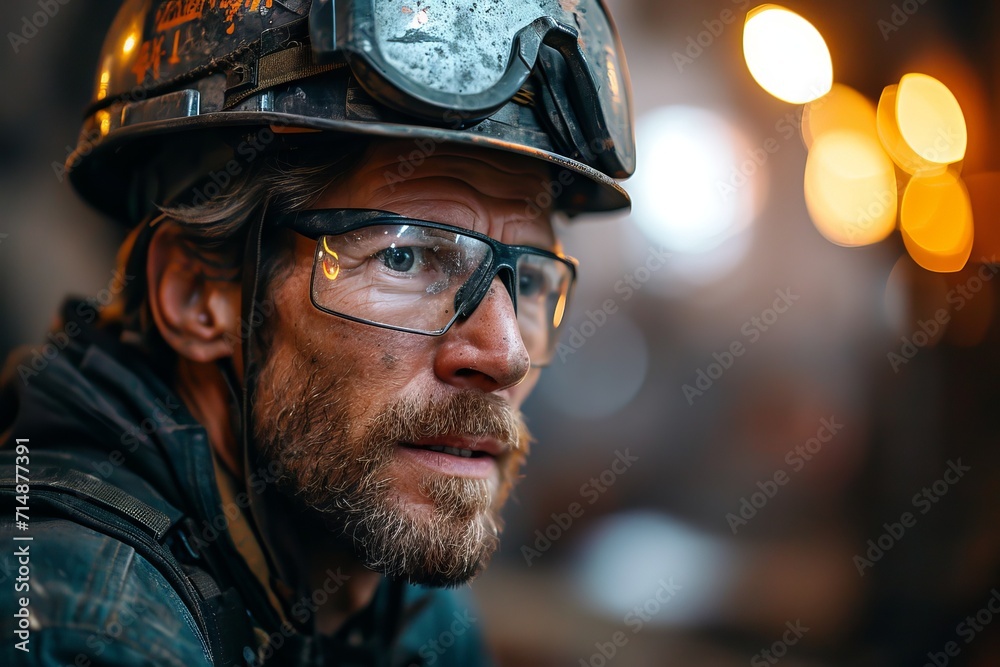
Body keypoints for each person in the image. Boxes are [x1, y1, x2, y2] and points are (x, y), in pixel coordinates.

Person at [0, 0, 634, 664]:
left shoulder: (400, 604)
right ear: (194, 294)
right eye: (405, 256)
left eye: (527, 283)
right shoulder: (82, 626)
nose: (502, 353)